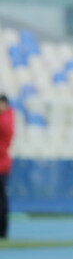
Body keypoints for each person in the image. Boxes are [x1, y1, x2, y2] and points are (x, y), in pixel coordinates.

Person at [0, 94, 13, 239]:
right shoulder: (7, 117)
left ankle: (3, 230)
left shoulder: (5, 119)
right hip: (3, 163)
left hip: (2, 164)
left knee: (2, 200)